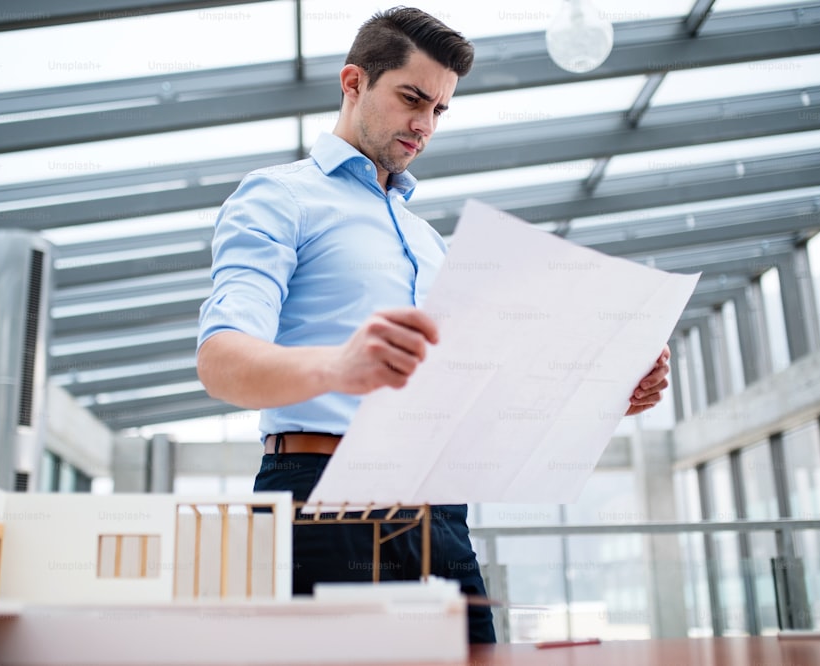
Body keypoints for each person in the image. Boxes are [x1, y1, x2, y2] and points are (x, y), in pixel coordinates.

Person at [196, 7, 670, 644]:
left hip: (438, 510)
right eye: (412, 98)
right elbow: (221, 361)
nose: (424, 125)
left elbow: (471, 395)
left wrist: (608, 395)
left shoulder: (428, 241)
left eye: (440, 109)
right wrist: (340, 367)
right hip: (319, 499)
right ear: (354, 82)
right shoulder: (278, 198)